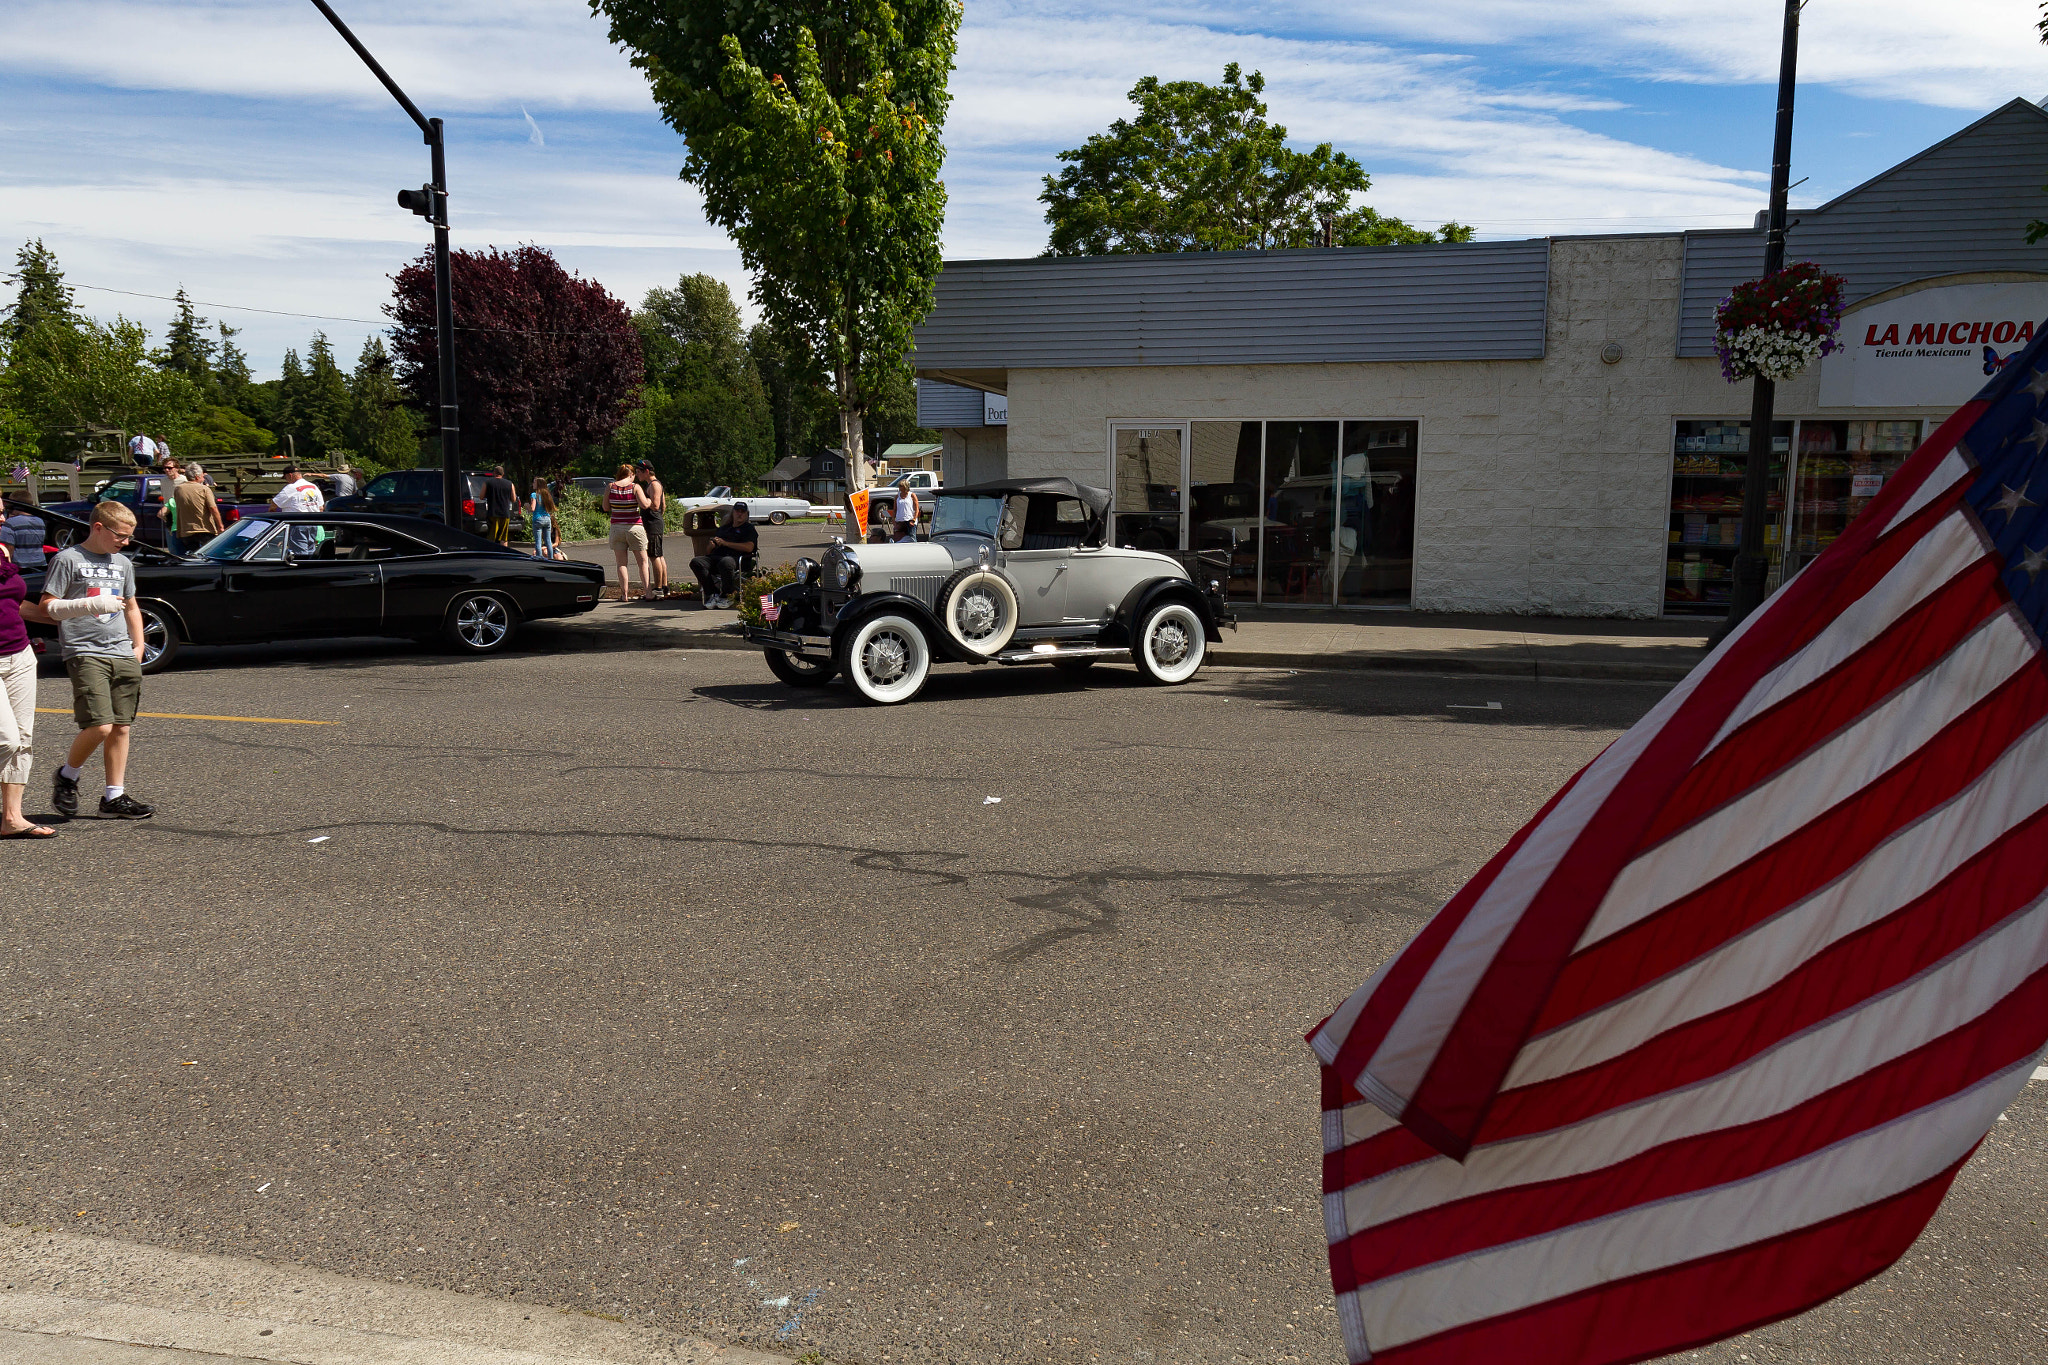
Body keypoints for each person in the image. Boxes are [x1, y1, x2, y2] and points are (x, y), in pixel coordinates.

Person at [41, 501, 153, 821]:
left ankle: (113, 797)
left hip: (121, 651)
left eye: (130, 536)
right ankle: (67, 776)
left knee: (121, 726)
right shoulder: (68, 560)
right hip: (85, 650)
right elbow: (49, 604)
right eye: (120, 535)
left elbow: (131, 606)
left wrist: (139, 645)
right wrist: (90, 603)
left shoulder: (123, 563)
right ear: (99, 528)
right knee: (100, 725)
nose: (126, 542)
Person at [0, 534, 57, 837]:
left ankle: (11, 818)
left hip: (19, 655)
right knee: (5, 740)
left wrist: (66, 618)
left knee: (22, 738)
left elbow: (13, 602)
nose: (2, 520)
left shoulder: (2, 551)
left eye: (2, 512)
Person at [690, 501, 757, 609]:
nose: (739, 514)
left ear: (746, 514)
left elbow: (749, 547)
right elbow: (708, 552)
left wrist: (726, 543)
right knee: (697, 562)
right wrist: (711, 545)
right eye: (737, 511)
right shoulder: (724, 529)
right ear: (733, 513)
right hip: (717, 557)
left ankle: (727, 595)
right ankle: (712, 593)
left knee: (725, 562)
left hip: (737, 559)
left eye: (742, 512)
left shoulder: (748, 529)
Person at [605, 463, 650, 601]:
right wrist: (649, 500)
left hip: (617, 527)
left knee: (621, 563)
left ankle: (624, 594)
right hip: (634, 527)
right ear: (631, 474)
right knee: (643, 562)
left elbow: (605, 507)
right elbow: (644, 505)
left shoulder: (611, 487)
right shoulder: (635, 487)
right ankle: (648, 593)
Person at [270, 464, 325, 557]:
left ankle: (302, 570)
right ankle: (312, 568)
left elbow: (274, 504)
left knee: (300, 553)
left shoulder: (291, 488)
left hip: (298, 524)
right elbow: (321, 507)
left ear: (290, 475)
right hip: (313, 523)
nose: (286, 481)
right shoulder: (314, 487)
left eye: (286, 478)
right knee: (310, 550)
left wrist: (272, 513)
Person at [171, 460, 224, 554]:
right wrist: (220, 526)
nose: (204, 478)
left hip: (186, 531)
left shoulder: (178, 489)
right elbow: (213, 508)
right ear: (197, 476)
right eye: (203, 476)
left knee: (191, 555)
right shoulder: (204, 489)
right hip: (204, 530)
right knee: (207, 555)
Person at [635, 461, 669, 598]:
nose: (637, 475)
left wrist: (644, 502)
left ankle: (658, 588)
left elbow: (656, 505)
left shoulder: (654, 485)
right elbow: (664, 507)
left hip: (653, 524)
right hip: (654, 522)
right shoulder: (653, 484)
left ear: (646, 471)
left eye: (638, 471)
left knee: (654, 556)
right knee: (658, 555)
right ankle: (664, 586)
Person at [4, 497, 46, 570]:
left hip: (19, 566)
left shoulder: (10, 523)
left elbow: (9, 549)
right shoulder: (40, 521)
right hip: (40, 564)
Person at [481, 465, 517, 546]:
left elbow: (481, 496)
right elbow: (514, 499)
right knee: (504, 538)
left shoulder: (487, 482)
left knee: (491, 537)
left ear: (494, 473)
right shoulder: (510, 484)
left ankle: (491, 554)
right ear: (503, 474)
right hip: (505, 513)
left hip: (492, 513)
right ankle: (504, 554)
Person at [529, 477, 558, 560]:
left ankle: (539, 558)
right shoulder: (547, 495)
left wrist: (527, 506)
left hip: (538, 519)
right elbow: (551, 508)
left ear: (538, 484)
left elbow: (532, 508)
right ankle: (550, 558)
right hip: (547, 519)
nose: (533, 484)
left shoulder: (534, 495)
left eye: (534, 482)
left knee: (538, 541)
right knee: (548, 540)